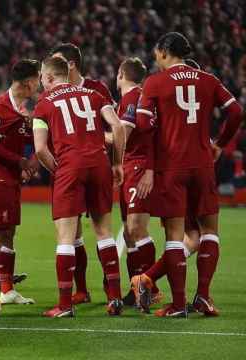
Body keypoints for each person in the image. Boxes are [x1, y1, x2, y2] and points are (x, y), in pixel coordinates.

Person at [131, 32, 242, 317]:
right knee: (209, 232)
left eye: (157, 52)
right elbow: (236, 112)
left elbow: (143, 124)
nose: (156, 57)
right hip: (203, 164)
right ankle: (203, 296)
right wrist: (218, 144)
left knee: (174, 235)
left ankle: (178, 305)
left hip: (171, 168)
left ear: (166, 51)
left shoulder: (155, 82)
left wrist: (152, 162)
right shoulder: (208, 79)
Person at [32, 56, 126, 317]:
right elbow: (117, 127)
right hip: (99, 164)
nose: (41, 81)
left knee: (66, 237)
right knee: (104, 231)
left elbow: (40, 148)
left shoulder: (44, 103)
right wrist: (117, 163)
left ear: (50, 77)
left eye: (41, 76)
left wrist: (57, 169)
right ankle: (115, 297)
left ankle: (64, 305)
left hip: (70, 166)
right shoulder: (93, 95)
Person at [50, 43, 116, 304]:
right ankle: (81, 289)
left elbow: (115, 127)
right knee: (71, 232)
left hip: (93, 165)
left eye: (56, 61)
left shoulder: (97, 89)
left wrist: (99, 140)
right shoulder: (54, 93)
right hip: (68, 167)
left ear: (71, 64)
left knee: (99, 228)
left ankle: (109, 289)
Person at [0, 59, 40, 305]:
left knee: (9, 232)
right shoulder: (0, 106)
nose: (40, 83)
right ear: (28, 82)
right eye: (37, 79)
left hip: (8, 178)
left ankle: (7, 289)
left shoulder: (18, 108)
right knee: (0, 233)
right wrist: (20, 162)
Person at [114, 58, 163, 308]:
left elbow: (122, 135)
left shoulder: (133, 97)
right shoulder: (130, 98)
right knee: (128, 231)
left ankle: (149, 286)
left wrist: (86, 137)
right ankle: (136, 289)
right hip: (129, 167)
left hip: (138, 166)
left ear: (121, 74)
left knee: (136, 229)